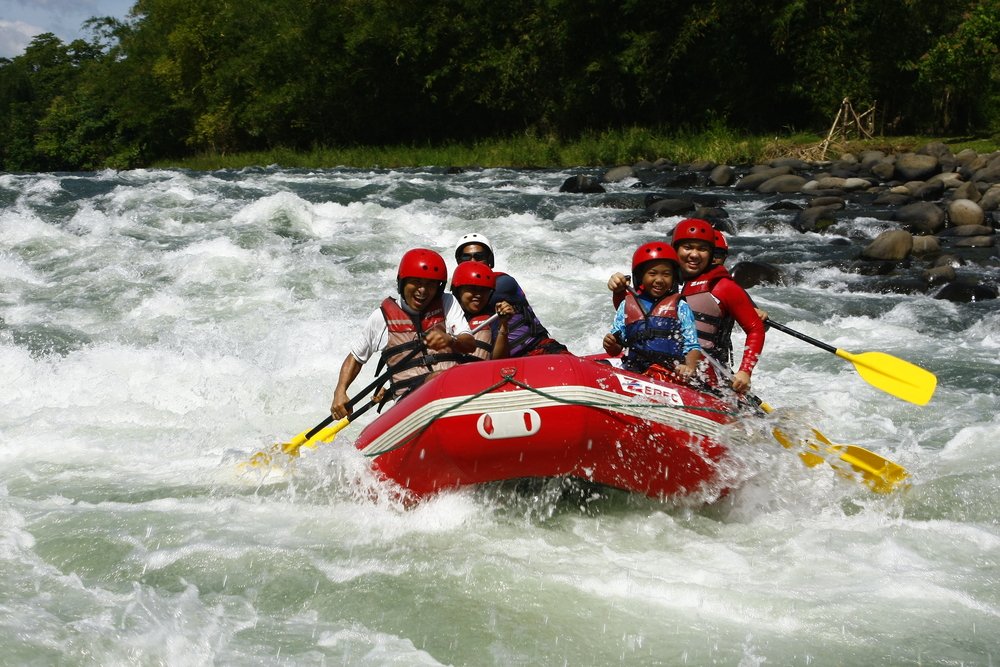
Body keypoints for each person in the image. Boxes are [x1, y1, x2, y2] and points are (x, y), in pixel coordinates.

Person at [608, 219, 765, 393]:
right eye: (688, 247)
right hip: (652, 361)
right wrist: (619, 291)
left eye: (702, 249)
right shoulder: (659, 282)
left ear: (711, 253)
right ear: (674, 249)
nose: (695, 254)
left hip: (703, 370)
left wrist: (745, 371)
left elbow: (755, 328)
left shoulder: (723, 287)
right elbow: (635, 316)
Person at [330, 249, 476, 419]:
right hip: (409, 400)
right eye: (416, 282)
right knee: (437, 379)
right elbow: (356, 358)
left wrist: (450, 340)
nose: (423, 290)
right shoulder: (381, 318)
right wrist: (340, 392)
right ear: (402, 283)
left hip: (454, 388)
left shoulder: (447, 302)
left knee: (448, 377)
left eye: (430, 284)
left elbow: (470, 344)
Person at [454, 233, 570, 356]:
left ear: (489, 260)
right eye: (466, 257)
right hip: (502, 363)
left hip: (538, 350)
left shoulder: (504, 283)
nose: (473, 261)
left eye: (479, 256)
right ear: (459, 261)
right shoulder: (456, 296)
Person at [603, 242, 702, 383]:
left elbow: (692, 346)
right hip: (635, 372)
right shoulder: (627, 304)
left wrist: (689, 367)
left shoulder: (681, 306)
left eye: (666, 274)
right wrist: (611, 344)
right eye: (652, 273)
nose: (660, 280)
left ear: (674, 277)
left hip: (669, 374)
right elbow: (616, 349)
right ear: (640, 276)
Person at [450, 261, 514, 360]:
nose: (479, 295)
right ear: (458, 291)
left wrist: (503, 324)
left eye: (484, 290)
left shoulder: (493, 317)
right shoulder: (445, 311)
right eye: (472, 289)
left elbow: (499, 360)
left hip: (480, 371)